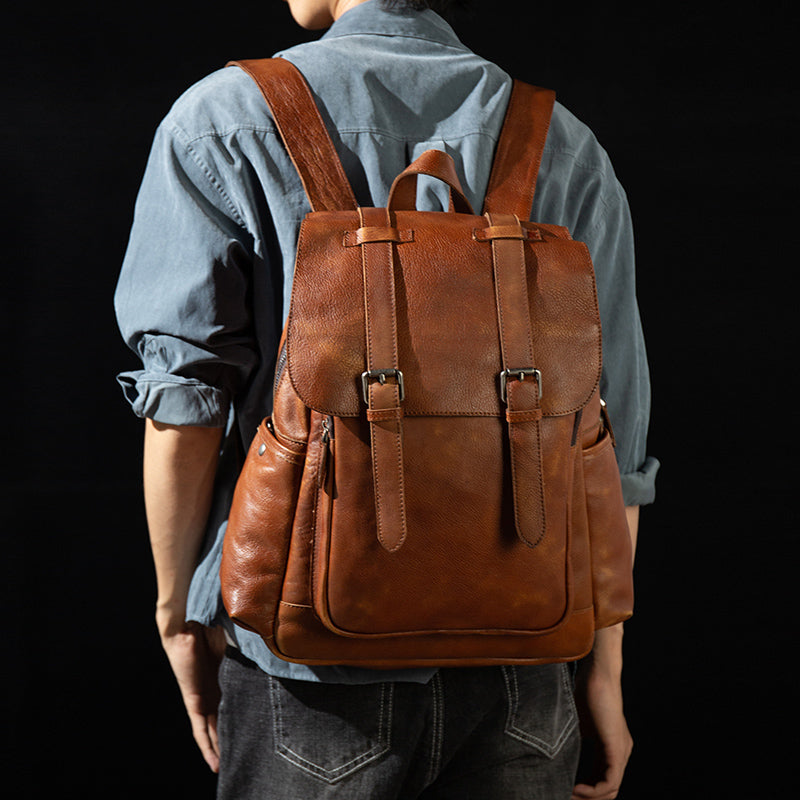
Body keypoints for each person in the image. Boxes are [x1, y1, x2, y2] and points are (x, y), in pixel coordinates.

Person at [114, 0, 658, 797]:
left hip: (306, 663)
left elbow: (184, 408)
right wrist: (603, 669)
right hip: (526, 658)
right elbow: (614, 433)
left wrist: (178, 613)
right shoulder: (564, 142)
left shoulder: (224, 120)